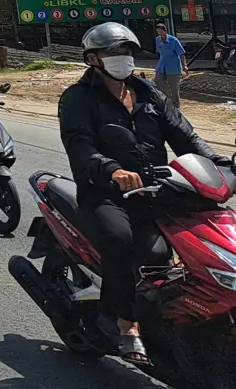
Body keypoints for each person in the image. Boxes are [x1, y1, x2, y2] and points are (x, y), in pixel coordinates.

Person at [59, 21, 224, 363]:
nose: (124, 58)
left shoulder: (150, 94)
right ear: (93, 59)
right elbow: (80, 146)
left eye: (127, 51)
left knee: (168, 253)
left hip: (156, 190)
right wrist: (112, 170)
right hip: (105, 194)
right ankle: (121, 322)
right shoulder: (78, 98)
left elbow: (185, 136)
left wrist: (218, 161)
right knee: (121, 240)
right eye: (114, 52)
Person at [153, 21, 188, 108]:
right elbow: (160, 53)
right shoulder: (158, 40)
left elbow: (181, 54)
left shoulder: (173, 40)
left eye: (161, 31)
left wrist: (185, 66)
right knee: (159, 84)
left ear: (165, 31)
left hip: (173, 68)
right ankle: (166, 104)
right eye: (158, 32)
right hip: (161, 67)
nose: (160, 33)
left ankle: (176, 107)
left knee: (174, 89)